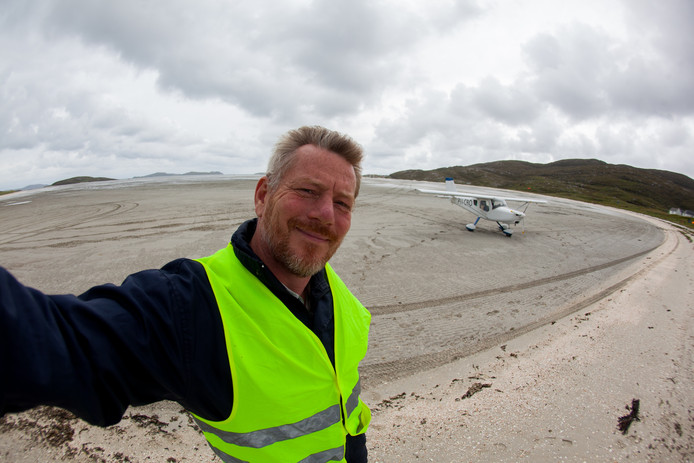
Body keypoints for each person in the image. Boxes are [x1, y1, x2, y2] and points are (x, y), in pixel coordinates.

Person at [0, 126, 372, 462]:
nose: (326, 214)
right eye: (308, 191)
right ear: (262, 196)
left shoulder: (337, 293)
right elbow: (56, 342)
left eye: (342, 203)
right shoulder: (191, 306)